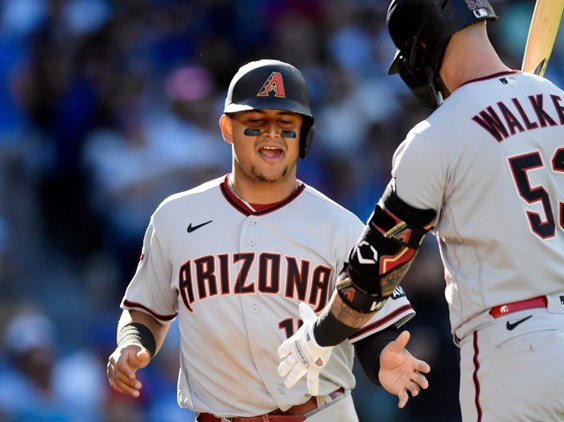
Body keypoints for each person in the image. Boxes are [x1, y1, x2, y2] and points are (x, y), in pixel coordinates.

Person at [277, 2, 564, 422]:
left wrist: (320, 336)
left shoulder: (438, 136)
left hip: (519, 350)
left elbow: (373, 274)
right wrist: (548, 257)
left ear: (421, 48)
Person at [106, 59, 431, 422]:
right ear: (228, 128)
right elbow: (145, 312)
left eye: (286, 124)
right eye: (256, 123)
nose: (272, 135)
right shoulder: (175, 218)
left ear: (304, 134)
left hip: (320, 412)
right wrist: (132, 344)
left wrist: (382, 356)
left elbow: (371, 322)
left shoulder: (340, 225)